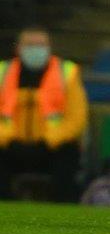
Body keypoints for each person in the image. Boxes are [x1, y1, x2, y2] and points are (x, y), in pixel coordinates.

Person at [0, 27, 87, 202]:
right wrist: (8, 139)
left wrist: (48, 141)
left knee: (67, 160)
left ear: (50, 47)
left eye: (40, 45)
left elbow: (77, 118)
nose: (35, 49)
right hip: (10, 147)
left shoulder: (67, 73)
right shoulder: (2, 72)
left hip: (53, 148)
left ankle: (64, 216)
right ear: (18, 48)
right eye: (30, 44)